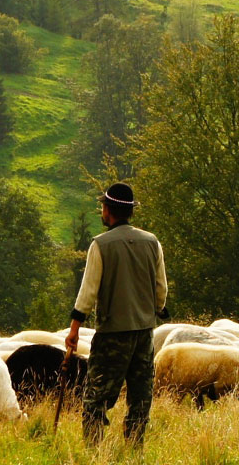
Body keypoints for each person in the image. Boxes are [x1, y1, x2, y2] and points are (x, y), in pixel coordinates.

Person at [65, 182, 167, 448]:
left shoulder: (101, 245)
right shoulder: (152, 242)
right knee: (140, 397)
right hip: (144, 333)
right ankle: (134, 449)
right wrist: (152, 311)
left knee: (96, 397)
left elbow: (87, 292)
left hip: (112, 334)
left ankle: (94, 451)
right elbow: (161, 289)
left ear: (108, 210)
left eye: (102, 206)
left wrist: (75, 328)